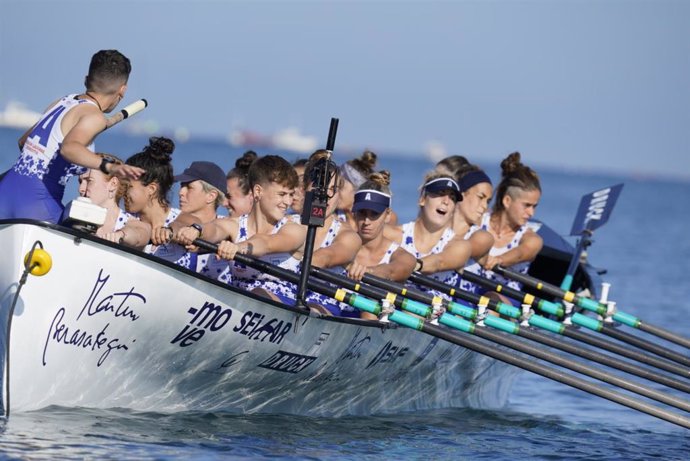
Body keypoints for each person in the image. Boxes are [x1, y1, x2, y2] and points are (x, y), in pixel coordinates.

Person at [197, 150, 362, 315]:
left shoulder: (346, 235)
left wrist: (238, 248)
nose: (325, 195)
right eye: (319, 188)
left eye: (332, 189)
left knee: (273, 299)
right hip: (267, 298)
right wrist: (196, 231)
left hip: (321, 304)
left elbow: (324, 258)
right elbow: (219, 228)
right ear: (305, 190)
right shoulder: (289, 221)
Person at [0, 49, 143, 222]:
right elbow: (69, 149)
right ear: (122, 90)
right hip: (37, 203)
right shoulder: (94, 116)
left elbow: (23, 142)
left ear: (86, 80)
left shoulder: (63, 101)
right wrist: (110, 167)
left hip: (5, 191)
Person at [177, 155, 300, 301]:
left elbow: (265, 243)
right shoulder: (234, 225)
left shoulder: (295, 229)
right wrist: (197, 231)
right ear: (258, 192)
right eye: (282, 194)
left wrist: (237, 247)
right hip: (238, 303)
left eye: (290, 195)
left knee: (258, 292)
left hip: (282, 305)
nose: (287, 202)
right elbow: (214, 228)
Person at [387, 173, 472, 300]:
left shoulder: (460, 246)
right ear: (422, 199)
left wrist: (407, 266)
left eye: (452, 198)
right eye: (440, 193)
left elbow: (438, 262)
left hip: (436, 316)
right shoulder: (392, 235)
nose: (446, 201)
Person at [346, 171, 416, 319]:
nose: (366, 221)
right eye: (362, 213)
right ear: (354, 214)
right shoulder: (342, 244)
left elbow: (392, 271)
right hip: (337, 313)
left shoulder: (401, 256)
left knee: (370, 309)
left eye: (374, 214)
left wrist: (367, 272)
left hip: (371, 319)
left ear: (388, 215)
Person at [480, 152, 543, 293]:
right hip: (470, 292)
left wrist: (499, 260)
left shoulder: (531, 239)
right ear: (507, 201)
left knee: (492, 299)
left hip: (505, 299)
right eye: (527, 205)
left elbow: (522, 252)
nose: (531, 213)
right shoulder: (479, 221)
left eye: (534, 206)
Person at [122, 136, 196, 253]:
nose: (123, 192)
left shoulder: (182, 218)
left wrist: (171, 232)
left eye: (128, 186)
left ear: (151, 189)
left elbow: (196, 225)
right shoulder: (124, 219)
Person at [153, 161, 228, 276]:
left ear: (211, 196)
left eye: (189, 187)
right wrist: (170, 231)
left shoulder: (228, 226)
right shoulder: (174, 217)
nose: (180, 192)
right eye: (182, 186)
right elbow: (181, 222)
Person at [74, 153, 151, 248]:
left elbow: (140, 234)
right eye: (80, 182)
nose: (81, 189)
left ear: (113, 184)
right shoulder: (73, 218)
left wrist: (120, 235)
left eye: (89, 181)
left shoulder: (132, 223)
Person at [225, 150, 257, 217]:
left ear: (252, 196)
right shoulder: (219, 224)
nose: (224, 203)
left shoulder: (281, 226)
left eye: (229, 196)